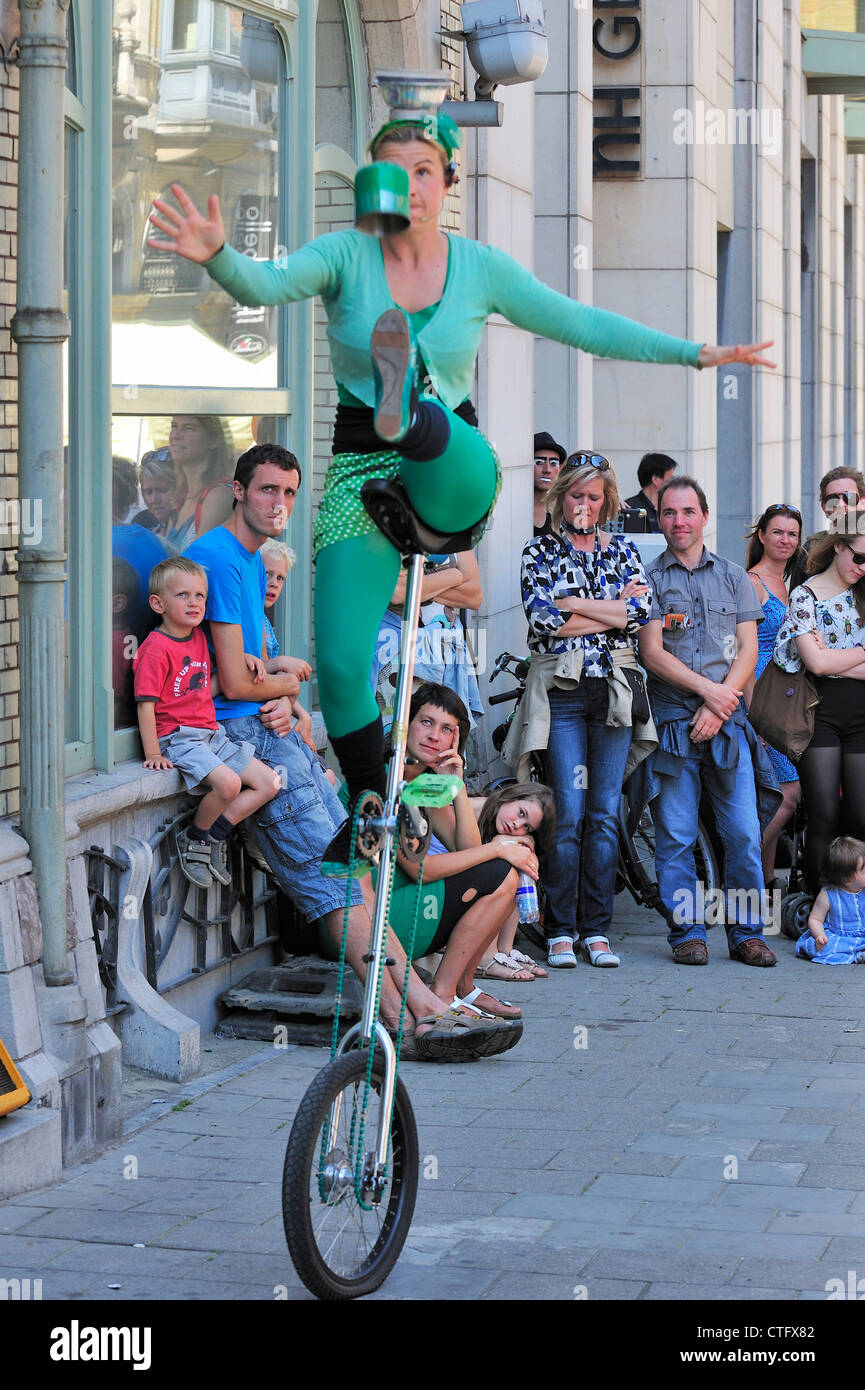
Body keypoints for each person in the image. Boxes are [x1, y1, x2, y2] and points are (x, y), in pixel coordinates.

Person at [146, 109, 774, 874]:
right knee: (342, 666)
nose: (405, 187)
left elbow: (577, 322)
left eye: (421, 171)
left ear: (448, 179)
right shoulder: (345, 253)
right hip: (359, 475)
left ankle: (408, 403)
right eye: (389, 170)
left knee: (447, 443)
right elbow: (268, 284)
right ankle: (373, 805)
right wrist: (218, 260)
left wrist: (696, 353)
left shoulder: (478, 266)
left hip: (451, 474)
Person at [184, 445, 468, 1052]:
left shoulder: (255, 559)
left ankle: (410, 1004)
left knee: (356, 866)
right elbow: (237, 683)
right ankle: (406, 1013)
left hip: (278, 734)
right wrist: (289, 686)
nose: (279, 504)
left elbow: (261, 666)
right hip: (244, 744)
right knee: (330, 883)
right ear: (238, 491)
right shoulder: (216, 558)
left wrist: (283, 693)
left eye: (288, 493)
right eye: (266, 490)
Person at [517, 452, 657, 970]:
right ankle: (560, 929)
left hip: (613, 694)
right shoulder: (539, 551)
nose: (584, 504)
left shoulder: (623, 547)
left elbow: (640, 612)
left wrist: (575, 604)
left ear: (607, 501)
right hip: (564, 694)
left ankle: (596, 931)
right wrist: (607, 611)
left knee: (603, 815)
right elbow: (543, 620)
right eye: (576, 494)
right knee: (570, 814)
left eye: (593, 496)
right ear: (560, 497)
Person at [638, 476, 781, 967]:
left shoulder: (733, 577)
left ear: (703, 516)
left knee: (742, 832)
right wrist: (708, 694)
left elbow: (747, 649)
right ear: (659, 519)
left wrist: (721, 706)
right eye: (669, 513)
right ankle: (687, 934)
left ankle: (746, 935)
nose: (679, 521)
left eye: (687, 512)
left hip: (727, 725)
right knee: (675, 837)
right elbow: (651, 653)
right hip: (675, 726)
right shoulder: (649, 580)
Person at [354, 683, 537, 1049]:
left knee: (501, 874)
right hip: (369, 921)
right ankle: (446, 993)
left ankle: (457, 989)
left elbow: (466, 850)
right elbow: (420, 871)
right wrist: (498, 849)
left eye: (447, 729)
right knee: (499, 869)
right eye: (426, 722)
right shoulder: (387, 777)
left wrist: (455, 787)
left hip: (403, 911)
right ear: (406, 723)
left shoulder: (422, 779)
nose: (435, 736)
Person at [133, 556, 281, 889]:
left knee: (269, 783)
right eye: (183, 595)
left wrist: (239, 663)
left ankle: (213, 835)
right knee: (228, 785)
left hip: (212, 735)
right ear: (158, 603)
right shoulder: (156, 648)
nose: (194, 602)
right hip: (179, 738)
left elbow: (200, 687)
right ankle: (194, 840)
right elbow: (145, 705)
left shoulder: (198, 638)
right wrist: (154, 751)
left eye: (199, 595)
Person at [773, 517, 865, 896]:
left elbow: (828, 660)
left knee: (860, 814)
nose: (863, 567)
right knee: (823, 814)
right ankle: (817, 901)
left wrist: (834, 654)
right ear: (839, 545)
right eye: (859, 556)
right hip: (818, 713)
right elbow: (816, 664)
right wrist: (857, 654)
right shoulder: (805, 596)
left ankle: (854, 904)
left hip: (861, 716)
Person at [743, 504, 803, 886]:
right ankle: (740, 869)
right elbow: (743, 655)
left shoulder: (793, 581)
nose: (785, 540)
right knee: (790, 794)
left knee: (771, 794)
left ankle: (763, 880)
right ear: (762, 535)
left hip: (788, 703)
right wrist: (755, 716)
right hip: (762, 700)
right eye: (777, 532)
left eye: (792, 534)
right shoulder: (752, 582)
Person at [369, 549, 484, 731]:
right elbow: (396, 591)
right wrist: (454, 576)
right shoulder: (390, 529)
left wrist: (416, 590)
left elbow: (474, 596)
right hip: (397, 652)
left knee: (442, 737)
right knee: (397, 735)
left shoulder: (458, 530)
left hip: (447, 654)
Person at [469, 781, 556, 980]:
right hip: (434, 888)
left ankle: (504, 949)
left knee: (520, 862)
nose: (517, 824)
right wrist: (499, 845)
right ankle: (486, 956)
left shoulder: (495, 822)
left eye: (526, 827)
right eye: (521, 813)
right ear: (510, 797)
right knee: (501, 868)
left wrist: (525, 845)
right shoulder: (473, 809)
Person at [788, 467, 865, 590]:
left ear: (862, 502)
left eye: (849, 497)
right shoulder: (811, 549)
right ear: (824, 507)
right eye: (832, 500)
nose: (840, 505)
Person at [166, 414, 235, 549]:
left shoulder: (220, 495)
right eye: (174, 426)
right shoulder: (182, 497)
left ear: (214, 440)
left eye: (189, 428)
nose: (176, 435)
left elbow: (194, 562)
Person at [797, 835, 865, 964]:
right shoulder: (829, 894)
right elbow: (815, 919)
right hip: (840, 937)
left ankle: (857, 953)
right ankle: (858, 956)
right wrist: (819, 935)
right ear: (847, 878)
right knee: (822, 947)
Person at [624, 452, 678, 533]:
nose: (674, 483)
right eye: (671, 478)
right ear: (655, 479)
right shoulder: (630, 509)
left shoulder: (673, 506)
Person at [135, 451, 181, 541]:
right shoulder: (142, 524)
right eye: (148, 492)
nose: (154, 500)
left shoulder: (193, 530)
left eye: (162, 490)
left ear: (179, 488)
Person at [533, 431, 565, 536]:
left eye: (553, 463)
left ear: (560, 469)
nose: (547, 470)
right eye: (539, 462)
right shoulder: (511, 506)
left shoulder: (559, 510)